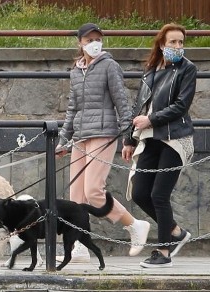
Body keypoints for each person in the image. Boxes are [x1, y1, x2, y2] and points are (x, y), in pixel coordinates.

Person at [56, 22, 151, 263]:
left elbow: (122, 103)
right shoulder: (76, 71)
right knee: (76, 195)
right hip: (80, 136)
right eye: (89, 40)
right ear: (80, 43)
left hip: (103, 133)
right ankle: (78, 246)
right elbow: (71, 109)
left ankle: (134, 225)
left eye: (97, 38)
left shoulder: (110, 66)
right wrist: (63, 141)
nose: (94, 43)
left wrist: (128, 138)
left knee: (93, 191)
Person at [122, 23, 196, 268]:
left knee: (159, 195)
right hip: (149, 138)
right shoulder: (151, 70)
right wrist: (129, 139)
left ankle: (164, 252)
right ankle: (176, 232)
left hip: (175, 138)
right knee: (140, 192)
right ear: (162, 44)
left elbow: (181, 106)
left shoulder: (187, 69)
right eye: (173, 42)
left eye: (181, 42)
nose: (177, 46)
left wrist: (150, 120)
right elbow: (139, 107)